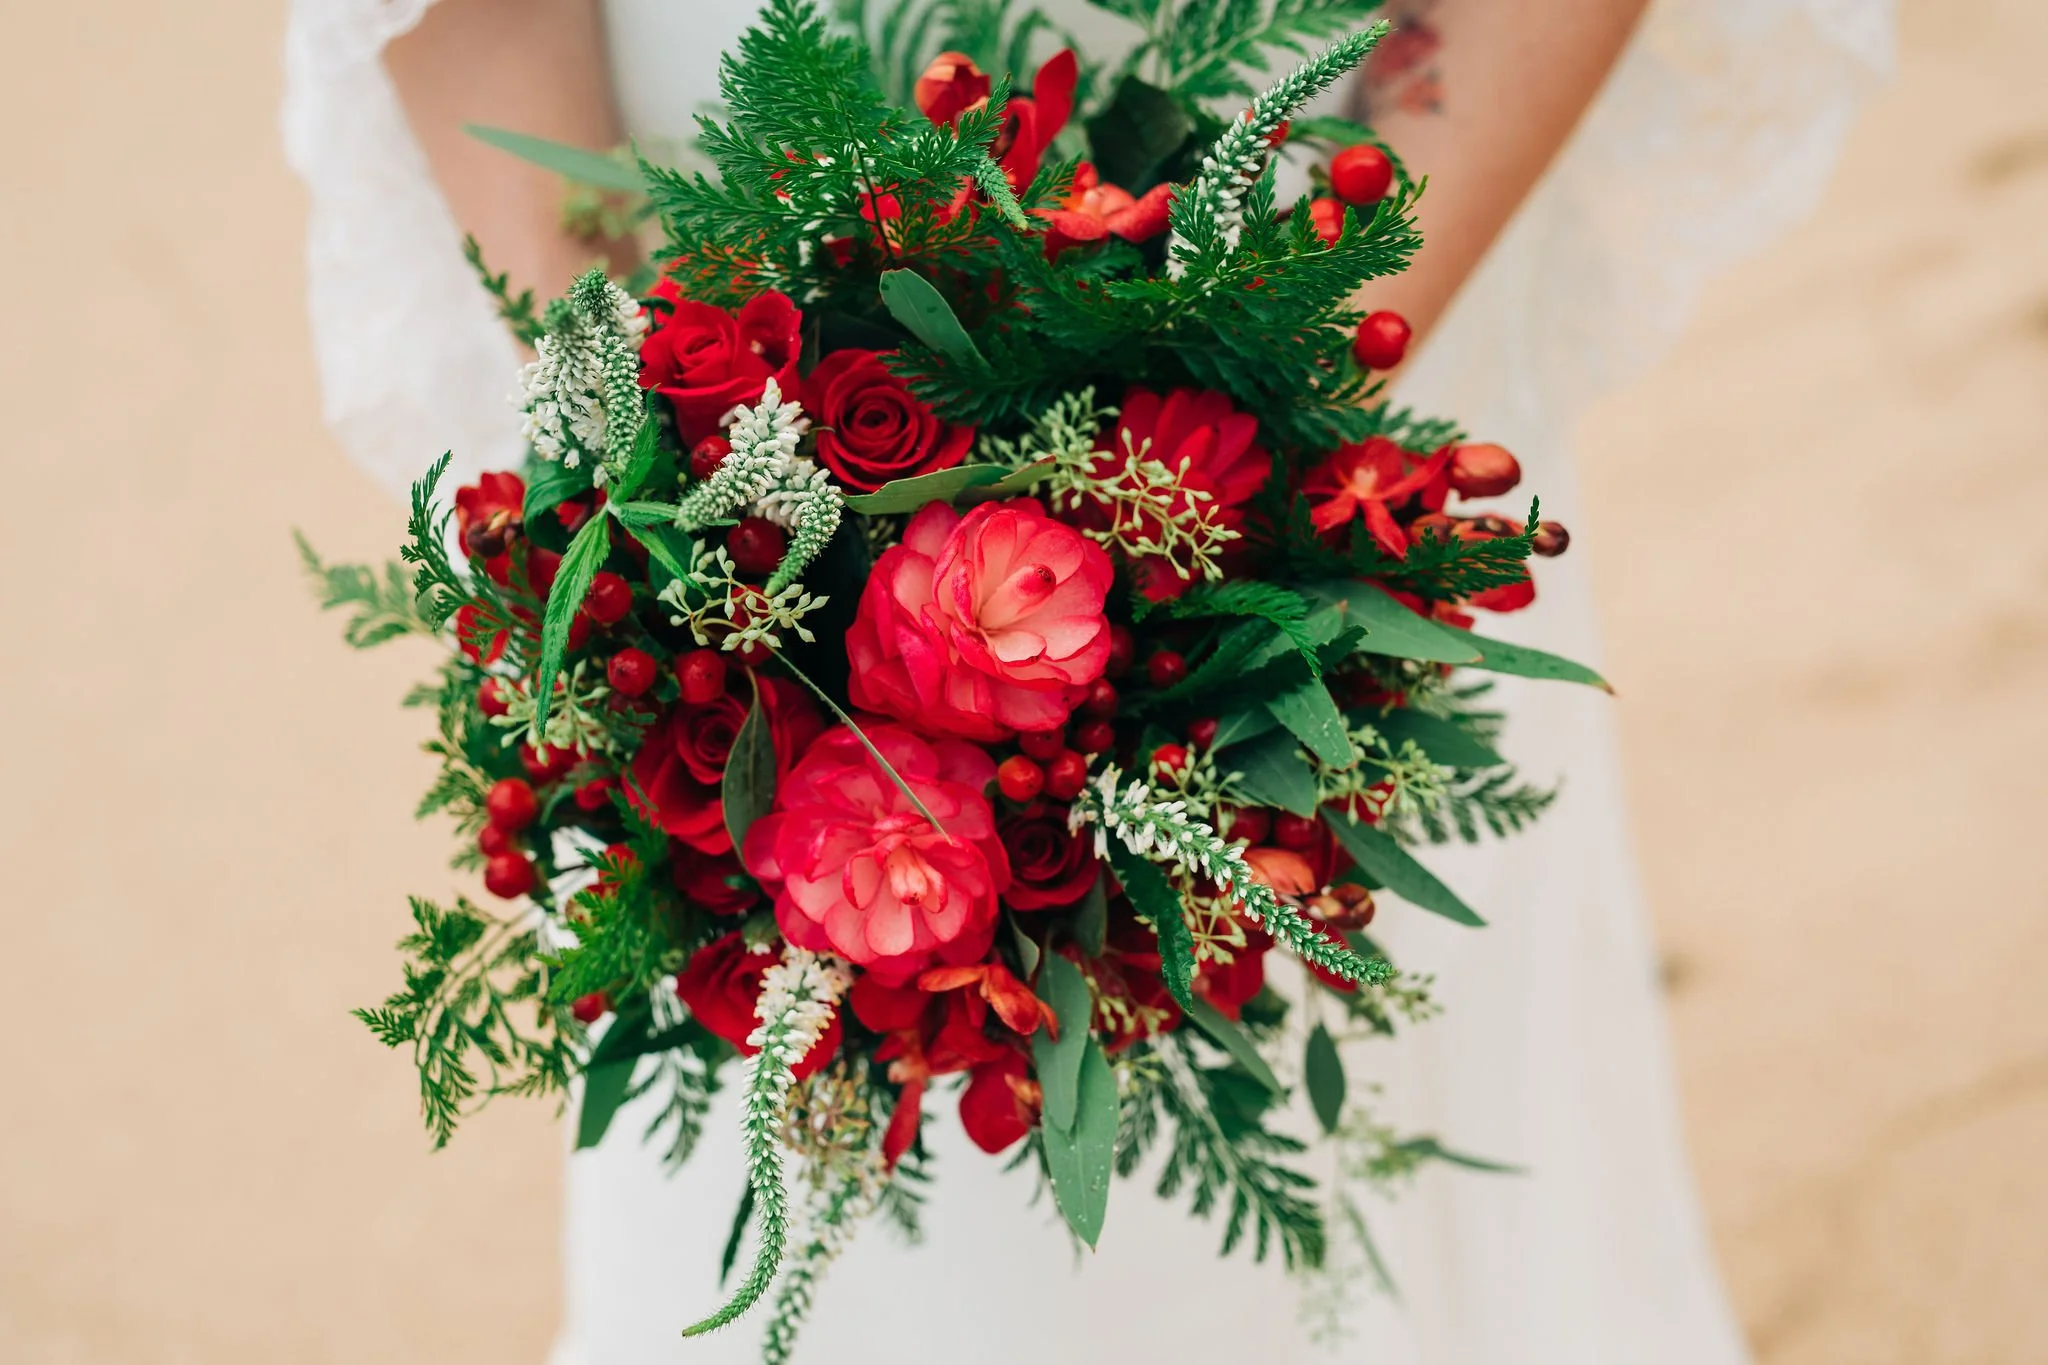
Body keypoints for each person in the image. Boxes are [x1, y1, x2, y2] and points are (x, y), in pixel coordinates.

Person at [282, 2, 1893, 1360]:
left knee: (1375, 1052)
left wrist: (1286, 363)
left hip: (1339, 286)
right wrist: (661, 467)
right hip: (692, 244)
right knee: (845, 1192)